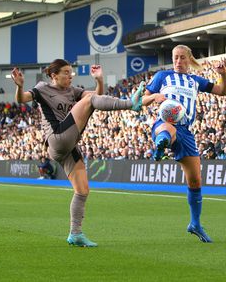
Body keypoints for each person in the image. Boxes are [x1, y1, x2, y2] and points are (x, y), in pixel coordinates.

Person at [11, 60, 144, 247]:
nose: (70, 76)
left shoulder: (73, 91)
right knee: (88, 101)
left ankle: (75, 233)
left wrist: (99, 81)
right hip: (57, 138)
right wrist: (20, 86)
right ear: (54, 75)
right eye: (66, 72)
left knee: (82, 190)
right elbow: (22, 99)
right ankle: (131, 103)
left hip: (68, 145)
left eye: (71, 72)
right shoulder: (42, 88)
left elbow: (97, 99)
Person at [143, 45, 226, 243]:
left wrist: (223, 75)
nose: (178, 61)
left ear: (189, 60)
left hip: (186, 132)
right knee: (167, 130)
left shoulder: (195, 81)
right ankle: (161, 143)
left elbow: (222, 91)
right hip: (165, 122)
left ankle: (195, 224)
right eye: (175, 58)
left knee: (195, 181)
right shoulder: (162, 76)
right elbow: (143, 99)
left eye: (182, 58)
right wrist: (154, 96)